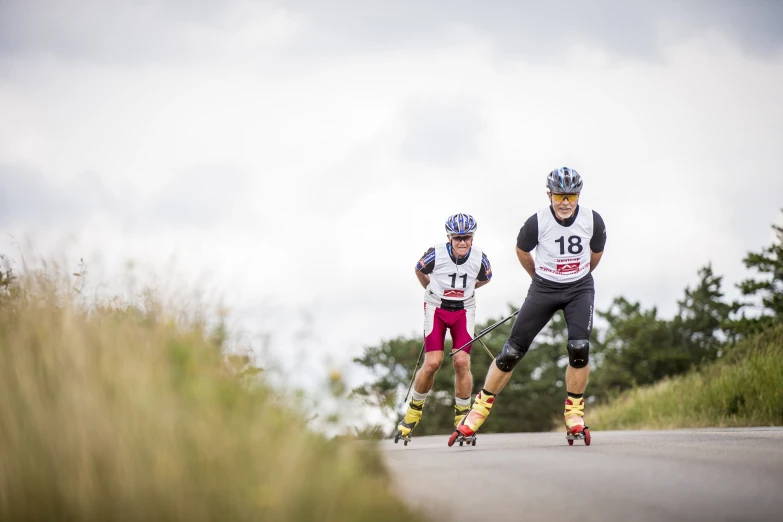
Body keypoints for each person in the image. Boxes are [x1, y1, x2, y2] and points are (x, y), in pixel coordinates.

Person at [450, 167, 606, 445]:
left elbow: (595, 254)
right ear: (549, 195)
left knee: (579, 347)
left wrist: (576, 276)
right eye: (560, 195)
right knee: (511, 352)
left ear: (579, 195)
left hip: (579, 288)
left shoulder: (593, 220)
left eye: (571, 195)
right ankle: (477, 411)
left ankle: (574, 413)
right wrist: (539, 278)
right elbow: (522, 250)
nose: (566, 202)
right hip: (544, 288)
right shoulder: (537, 222)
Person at [394, 213, 493, 442]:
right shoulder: (435, 254)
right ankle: (411, 415)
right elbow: (419, 269)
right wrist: (429, 288)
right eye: (457, 238)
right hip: (437, 308)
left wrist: (468, 290)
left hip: (463, 310)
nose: (462, 242)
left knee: (461, 361)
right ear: (449, 237)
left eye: (466, 238)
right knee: (432, 362)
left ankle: (463, 417)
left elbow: (487, 277)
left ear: (472, 237)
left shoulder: (480, 258)